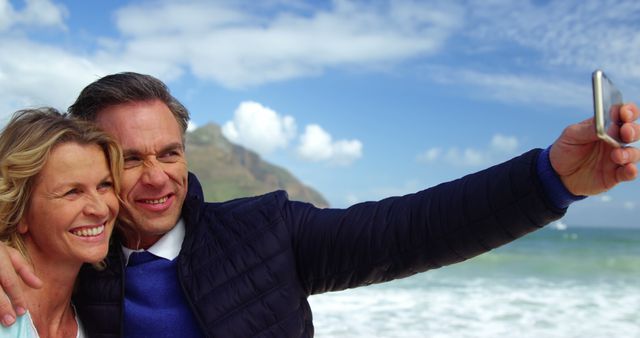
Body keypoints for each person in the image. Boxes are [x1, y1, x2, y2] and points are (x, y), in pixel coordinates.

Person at [0, 72, 638, 337]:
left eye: (169, 152)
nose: (156, 177)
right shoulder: (79, 259)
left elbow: (411, 229)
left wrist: (552, 179)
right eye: (130, 159)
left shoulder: (265, 232)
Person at [0, 108, 122, 337]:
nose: (100, 209)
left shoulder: (97, 318)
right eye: (72, 192)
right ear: (19, 211)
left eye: (104, 185)